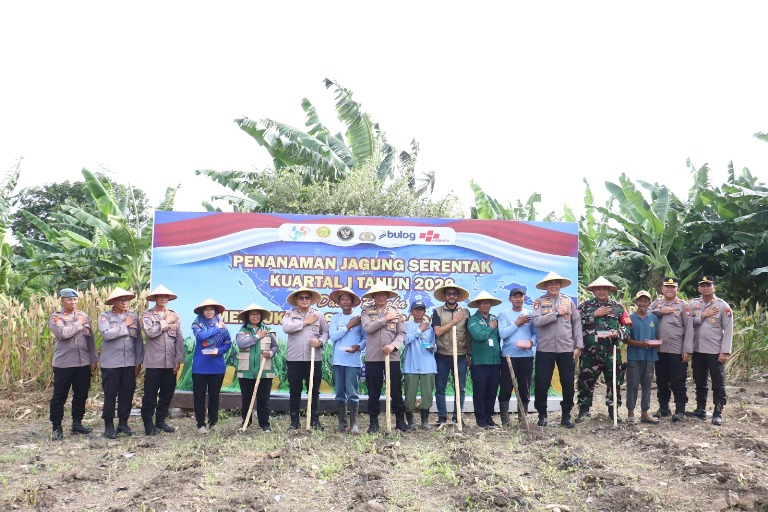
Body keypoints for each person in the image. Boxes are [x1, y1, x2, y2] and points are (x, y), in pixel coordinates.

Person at [576, 276, 632, 423]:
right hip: (589, 352)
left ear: (609, 291)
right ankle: (584, 409)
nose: (601, 291)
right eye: (598, 289)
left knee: (614, 381)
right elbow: (574, 322)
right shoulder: (584, 306)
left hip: (611, 351)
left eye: (605, 289)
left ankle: (613, 410)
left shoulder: (618, 307)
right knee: (585, 381)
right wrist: (594, 314)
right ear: (593, 291)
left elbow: (628, 325)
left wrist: (617, 333)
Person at [531, 272, 583, 428]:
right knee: (542, 383)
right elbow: (537, 322)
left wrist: (578, 346)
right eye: (550, 283)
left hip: (566, 348)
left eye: (557, 283)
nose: (554, 286)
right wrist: (555, 313)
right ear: (546, 286)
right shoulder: (539, 302)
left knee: (568, 384)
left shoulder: (568, 301)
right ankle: (542, 415)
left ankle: (566, 416)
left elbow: (576, 323)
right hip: (545, 349)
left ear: (560, 285)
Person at [49, 288, 98, 440]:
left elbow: (90, 339)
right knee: (60, 396)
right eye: (69, 299)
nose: (73, 302)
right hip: (64, 364)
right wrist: (78, 324)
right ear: (62, 301)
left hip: (83, 362)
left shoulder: (83, 316)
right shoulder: (56, 317)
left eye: (75, 299)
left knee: (81, 395)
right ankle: (56, 427)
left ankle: (77, 423)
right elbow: (63, 333)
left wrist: (93, 359)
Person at [361, 281, 409, 433]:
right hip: (373, 358)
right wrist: (385, 319)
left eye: (384, 294)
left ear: (388, 296)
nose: (381, 297)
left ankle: (400, 421)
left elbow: (401, 333)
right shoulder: (366, 311)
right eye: (378, 294)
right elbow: (368, 328)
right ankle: (373, 423)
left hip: (392, 357)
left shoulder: (397, 312)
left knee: (395, 390)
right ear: (373, 297)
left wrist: (394, 345)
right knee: (373, 391)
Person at [97, 287, 144, 439]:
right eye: (121, 300)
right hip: (111, 363)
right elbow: (106, 334)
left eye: (127, 300)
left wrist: (138, 361)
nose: (125, 303)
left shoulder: (133, 316)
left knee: (127, 394)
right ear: (113, 302)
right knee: (110, 394)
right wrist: (125, 325)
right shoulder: (105, 316)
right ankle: (109, 425)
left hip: (129, 362)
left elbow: (138, 341)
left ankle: (123, 423)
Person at [282, 286, 329, 430]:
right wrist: (305, 322)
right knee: (294, 391)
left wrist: (320, 342)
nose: (304, 300)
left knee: (313, 391)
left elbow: (326, 332)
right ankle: (294, 422)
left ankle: (314, 421)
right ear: (296, 300)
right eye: (301, 298)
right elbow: (286, 328)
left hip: (314, 359)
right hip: (294, 359)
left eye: (307, 298)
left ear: (311, 300)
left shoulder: (318, 314)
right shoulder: (289, 314)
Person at [140, 284, 185, 436]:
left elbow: (179, 338)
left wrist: (178, 359)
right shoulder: (147, 315)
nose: (163, 298)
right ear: (155, 298)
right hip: (154, 362)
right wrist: (165, 321)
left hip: (170, 362)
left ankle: (160, 421)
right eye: (160, 296)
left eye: (166, 296)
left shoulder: (174, 315)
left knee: (167, 393)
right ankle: (148, 423)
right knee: (150, 394)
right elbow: (150, 332)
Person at [689, 276, 733, 426]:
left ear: (714, 287)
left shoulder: (722, 306)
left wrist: (725, 351)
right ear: (699, 288)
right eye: (702, 285)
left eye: (708, 285)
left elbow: (728, 330)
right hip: (697, 349)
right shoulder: (693, 304)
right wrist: (703, 315)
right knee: (699, 381)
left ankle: (717, 411)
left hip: (715, 351)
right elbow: (688, 324)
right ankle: (700, 408)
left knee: (718, 382)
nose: (705, 288)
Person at [649, 276, 694, 422]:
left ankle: (680, 410)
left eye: (672, 287)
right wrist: (661, 311)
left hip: (676, 350)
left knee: (677, 381)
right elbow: (645, 314)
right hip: (658, 349)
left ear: (677, 290)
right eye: (666, 287)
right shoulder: (656, 304)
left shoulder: (684, 306)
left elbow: (689, 329)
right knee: (661, 380)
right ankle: (664, 408)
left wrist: (687, 350)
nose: (669, 289)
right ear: (661, 289)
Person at [190, 298, 233, 434]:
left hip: (217, 367)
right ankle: (200, 425)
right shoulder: (197, 325)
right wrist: (217, 328)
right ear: (202, 312)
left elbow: (228, 343)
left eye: (211, 310)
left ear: (215, 312)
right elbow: (201, 337)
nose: (209, 312)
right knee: (199, 397)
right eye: (206, 310)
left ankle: (213, 422)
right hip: (200, 367)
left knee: (214, 396)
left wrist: (219, 351)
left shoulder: (223, 327)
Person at [431, 283, 471, 426]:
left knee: (460, 389)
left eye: (454, 293)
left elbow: (468, 335)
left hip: (460, 355)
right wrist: (454, 321)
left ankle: (457, 417)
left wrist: (469, 354)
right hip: (442, 355)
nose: (452, 296)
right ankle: (442, 417)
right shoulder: (438, 311)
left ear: (458, 296)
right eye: (449, 294)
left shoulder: (465, 312)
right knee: (440, 388)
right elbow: (438, 332)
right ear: (445, 296)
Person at [497, 287, 537, 425]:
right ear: (510, 299)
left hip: (526, 356)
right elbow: (503, 334)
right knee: (506, 387)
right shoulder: (504, 314)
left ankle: (522, 419)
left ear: (524, 299)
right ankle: (505, 420)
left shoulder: (530, 314)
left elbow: (536, 333)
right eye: (515, 296)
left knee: (524, 388)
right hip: (508, 357)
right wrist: (517, 323)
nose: (518, 299)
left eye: (520, 296)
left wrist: (532, 342)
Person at [235, 303, 278, 432]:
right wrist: (257, 336)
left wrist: (270, 353)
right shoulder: (242, 331)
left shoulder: (268, 330)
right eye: (252, 314)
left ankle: (264, 424)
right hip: (246, 371)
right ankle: (246, 423)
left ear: (261, 316)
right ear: (247, 316)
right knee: (246, 399)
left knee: (263, 399)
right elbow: (241, 344)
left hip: (264, 370)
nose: (255, 316)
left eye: (258, 314)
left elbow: (275, 347)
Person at [328, 287, 366, 434]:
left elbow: (365, 338)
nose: (345, 302)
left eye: (347, 299)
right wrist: (348, 326)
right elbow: (333, 336)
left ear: (352, 302)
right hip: (338, 361)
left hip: (353, 361)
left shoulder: (359, 318)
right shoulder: (335, 318)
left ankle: (354, 424)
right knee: (339, 393)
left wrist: (358, 346)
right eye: (342, 299)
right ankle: (342, 424)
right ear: (339, 302)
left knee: (352, 392)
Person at [466, 291, 502, 430]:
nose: (485, 305)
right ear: (477, 305)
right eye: (482, 303)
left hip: (495, 361)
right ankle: (480, 420)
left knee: (492, 392)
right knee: (480, 392)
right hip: (480, 362)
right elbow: (478, 336)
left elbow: (498, 338)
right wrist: (490, 328)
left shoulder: (494, 318)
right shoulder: (473, 320)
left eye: (488, 302)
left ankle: (489, 418)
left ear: (491, 304)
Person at [625, 290, 660, 425]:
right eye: (640, 301)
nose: (643, 304)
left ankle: (645, 413)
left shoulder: (654, 319)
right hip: (634, 356)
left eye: (645, 301)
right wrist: (640, 344)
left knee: (647, 385)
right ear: (636, 302)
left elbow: (655, 336)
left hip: (650, 356)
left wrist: (655, 343)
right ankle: (630, 413)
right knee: (632, 385)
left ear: (649, 303)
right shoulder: (630, 319)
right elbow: (625, 339)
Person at [402, 300, 437, 430]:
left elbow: (435, 345)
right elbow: (405, 340)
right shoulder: (406, 325)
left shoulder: (430, 326)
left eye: (421, 309)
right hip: (411, 365)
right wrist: (419, 330)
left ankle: (425, 420)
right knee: (409, 395)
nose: (418, 312)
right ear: (411, 311)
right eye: (416, 309)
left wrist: (433, 346)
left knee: (427, 394)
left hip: (428, 365)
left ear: (424, 312)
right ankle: (410, 421)